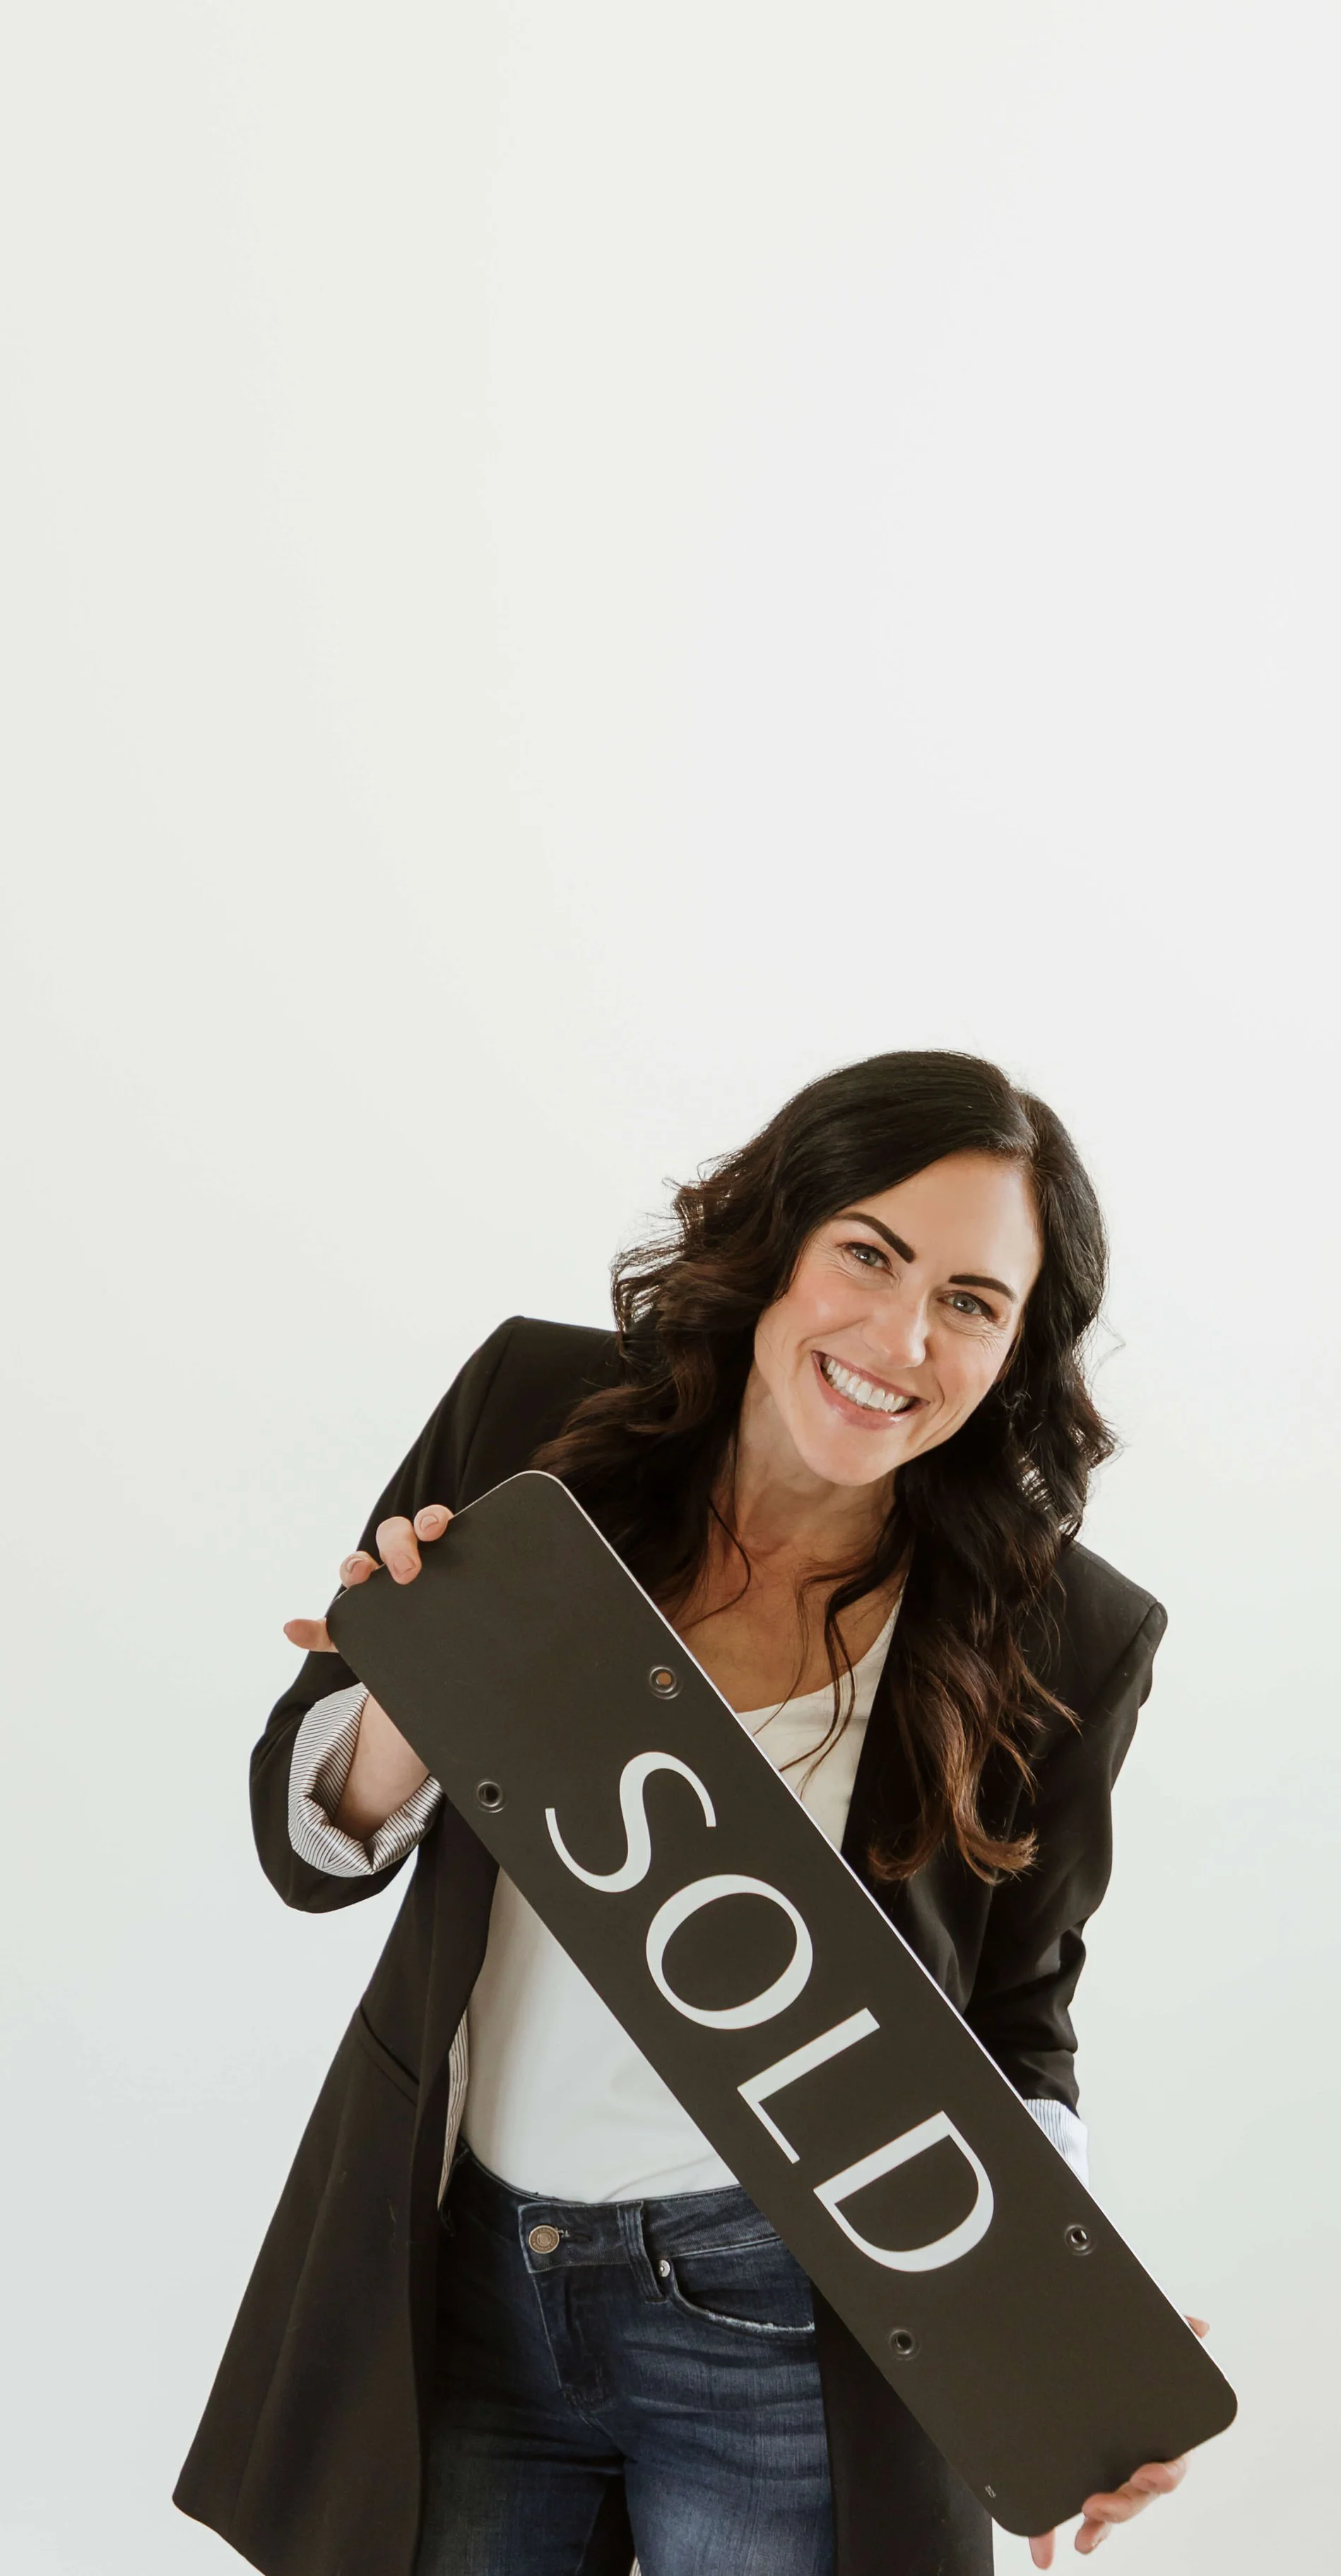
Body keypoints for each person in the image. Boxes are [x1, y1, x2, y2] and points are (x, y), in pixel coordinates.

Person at [175, 1048, 1209, 2576]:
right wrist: (410, 1699)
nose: (902, 1338)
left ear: (1016, 1351)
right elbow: (306, 1841)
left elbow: (1010, 2022)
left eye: (971, 1302)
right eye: (869, 1253)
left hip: (788, 2320)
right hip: (458, 2266)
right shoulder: (536, 1417)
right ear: (779, 1236)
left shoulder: (1065, 1631)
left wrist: (1064, 2330)